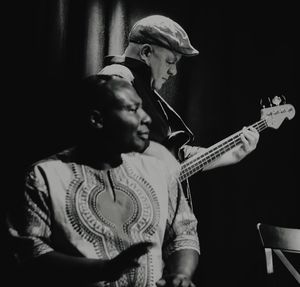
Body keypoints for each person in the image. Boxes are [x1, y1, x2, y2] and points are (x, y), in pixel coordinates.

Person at [6, 75, 200, 287]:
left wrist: (181, 275)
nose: (146, 118)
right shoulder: (44, 176)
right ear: (97, 120)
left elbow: (183, 233)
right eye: (132, 109)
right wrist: (103, 269)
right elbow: (29, 251)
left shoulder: (158, 171)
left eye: (142, 108)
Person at [98, 15, 260, 207]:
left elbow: (176, 155)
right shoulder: (118, 77)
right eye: (170, 61)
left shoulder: (146, 93)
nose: (174, 71)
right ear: (146, 52)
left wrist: (234, 153)